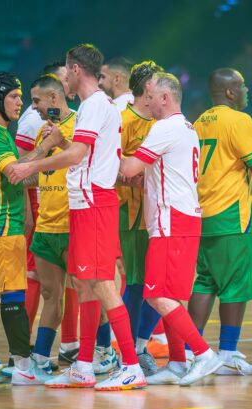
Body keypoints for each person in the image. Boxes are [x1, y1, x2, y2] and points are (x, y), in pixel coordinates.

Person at [9, 43, 146, 391]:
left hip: (94, 202)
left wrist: (31, 166)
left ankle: (131, 365)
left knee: (102, 284)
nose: (63, 80)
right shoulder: (95, 105)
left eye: (65, 73)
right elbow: (83, 154)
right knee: (85, 284)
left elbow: (77, 155)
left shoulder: (96, 105)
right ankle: (83, 365)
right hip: (86, 204)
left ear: (75, 69)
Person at [120, 72, 223, 386]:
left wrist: (101, 146)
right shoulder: (186, 128)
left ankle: (203, 354)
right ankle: (178, 362)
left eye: (151, 97)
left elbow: (129, 169)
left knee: (156, 296)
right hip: (182, 218)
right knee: (170, 296)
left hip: (171, 221)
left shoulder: (164, 128)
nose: (147, 103)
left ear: (165, 98)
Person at [185, 68, 252, 374]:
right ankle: (227, 354)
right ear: (230, 92)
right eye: (242, 85)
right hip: (233, 215)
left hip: (203, 212)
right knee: (234, 286)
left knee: (205, 282)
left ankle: (191, 352)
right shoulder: (239, 120)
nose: (247, 90)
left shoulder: (199, 121)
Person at [0, 71, 53, 386]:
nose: (20, 103)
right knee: (13, 293)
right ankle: (23, 366)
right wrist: (47, 147)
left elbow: (21, 174)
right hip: (1, 225)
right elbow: (17, 173)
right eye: (14, 97)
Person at [15, 60, 80, 366]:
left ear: (54, 97)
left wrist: (59, 142)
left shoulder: (81, 124)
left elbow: (85, 161)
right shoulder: (43, 131)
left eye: (36, 100)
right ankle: (40, 359)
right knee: (51, 295)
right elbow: (35, 172)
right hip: (46, 225)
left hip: (72, 223)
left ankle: (101, 352)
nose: (33, 107)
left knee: (89, 291)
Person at [116, 60, 165, 377]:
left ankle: (141, 344)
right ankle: (130, 352)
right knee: (136, 285)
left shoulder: (162, 122)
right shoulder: (124, 121)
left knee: (161, 284)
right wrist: (134, 177)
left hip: (161, 214)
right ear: (148, 88)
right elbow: (110, 165)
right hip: (133, 217)